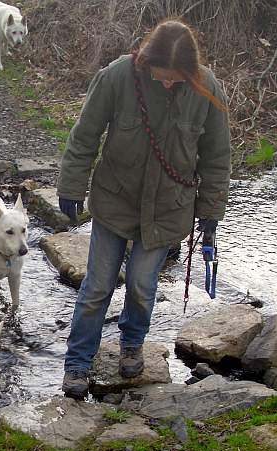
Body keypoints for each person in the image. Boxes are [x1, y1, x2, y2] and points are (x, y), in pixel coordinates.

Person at [56, 18, 231, 399]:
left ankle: (132, 344)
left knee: (140, 285)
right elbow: (85, 134)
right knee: (97, 287)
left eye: (176, 79)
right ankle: (77, 364)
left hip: (169, 209)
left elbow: (217, 159)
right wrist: (71, 185)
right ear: (145, 61)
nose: (168, 83)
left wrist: (210, 215)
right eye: (161, 76)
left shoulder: (207, 88)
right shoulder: (118, 76)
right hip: (114, 201)